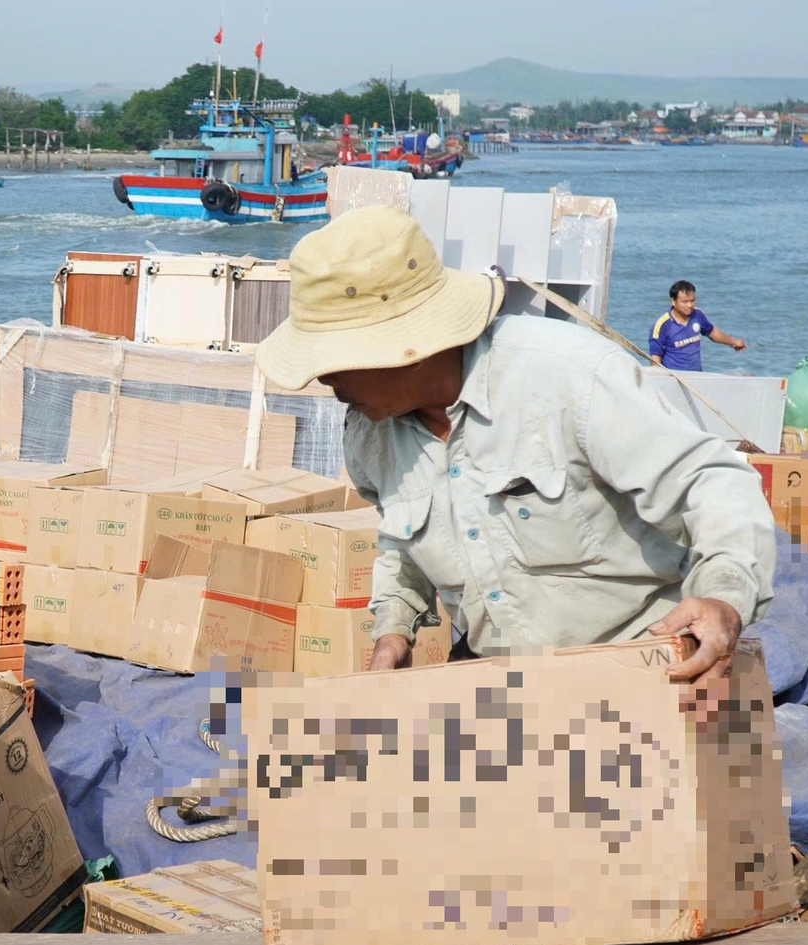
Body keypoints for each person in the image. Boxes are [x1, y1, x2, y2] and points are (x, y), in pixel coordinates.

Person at [251, 207, 776, 684]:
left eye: (331, 362)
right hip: (501, 681)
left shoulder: (567, 377)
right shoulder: (369, 434)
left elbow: (712, 480)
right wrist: (395, 627)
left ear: (403, 348)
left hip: (647, 672)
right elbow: (402, 545)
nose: (323, 383)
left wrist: (723, 596)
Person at [648, 280, 746, 371]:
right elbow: (655, 360)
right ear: (673, 301)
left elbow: (712, 332)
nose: (690, 305)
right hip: (674, 379)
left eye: (692, 300)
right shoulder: (662, 325)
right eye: (685, 302)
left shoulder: (697, 315)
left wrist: (733, 342)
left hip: (697, 376)